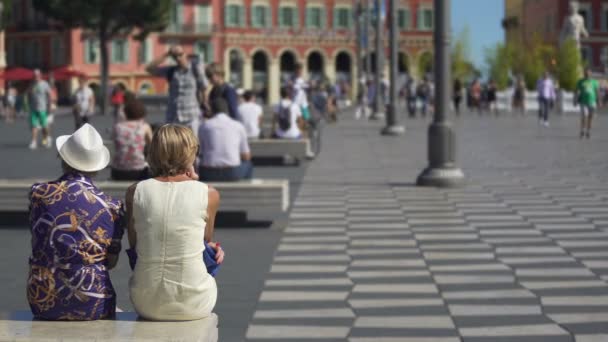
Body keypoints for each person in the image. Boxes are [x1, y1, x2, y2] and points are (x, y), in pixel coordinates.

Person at [125, 124, 223, 321]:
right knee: (208, 250)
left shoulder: (135, 192)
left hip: (145, 302)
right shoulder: (209, 194)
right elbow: (205, 239)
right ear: (190, 155)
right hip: (194, 303)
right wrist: (194, 179)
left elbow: (134, 244)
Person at [27, 123, 123, 320]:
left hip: (43, 300)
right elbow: (111, 262)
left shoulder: (38, 194)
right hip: (94, 302)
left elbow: (39, 241)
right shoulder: (113, 207)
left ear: (63, 158)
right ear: (96, 166)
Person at [146, 46, 206, 135]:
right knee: (173, 147)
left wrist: (203, 104)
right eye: (175, 56)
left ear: (185, 54)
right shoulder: (171, 71)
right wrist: (167, 54)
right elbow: (149, 69)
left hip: (191, 116)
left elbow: (204, 87)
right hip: (173, 117)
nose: (178, 58)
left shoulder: (195, 69)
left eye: (180, 55)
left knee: (193, 146)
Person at [198, 98, 253, 182]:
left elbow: (200, 153)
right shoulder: (238, 126)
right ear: (227, 110)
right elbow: (246, 156)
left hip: (208, 172)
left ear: (211, 110)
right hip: (232, 172)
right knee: (248, 165)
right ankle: (247, 192)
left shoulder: (204, 126)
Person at [111, 99, 154, 180]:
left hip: (118, 171)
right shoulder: (144, 126)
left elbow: (114, 139)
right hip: (138, 171)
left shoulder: (117, 127)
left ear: (126, 112)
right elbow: (152, 147)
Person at [28, 69, 52, 149]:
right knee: (34, 126)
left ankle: (47, 138)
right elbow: (29, 95)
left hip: (43, 108)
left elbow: (49, 95)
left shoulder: (45, 84)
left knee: (44, 126)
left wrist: (49, 106)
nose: (36, 77)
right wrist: (29, 105)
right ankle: (34, 141)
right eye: (34, 75)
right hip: (33, 109)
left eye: (37, 75)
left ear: (40, 75)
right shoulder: (32, 85)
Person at [575, 68, 600, 139]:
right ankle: (582, 130)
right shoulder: (580, 81)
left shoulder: (594, 82)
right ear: (584, 74)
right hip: (583, 102)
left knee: (590, 118)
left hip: (592, 102)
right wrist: (575, 100)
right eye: (586, 73)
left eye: (588, 73)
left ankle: (588, 131)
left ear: (591, 74)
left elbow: (597, 91)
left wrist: (599, 101)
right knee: (584, 117)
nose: (587, 74)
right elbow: (577, 91)